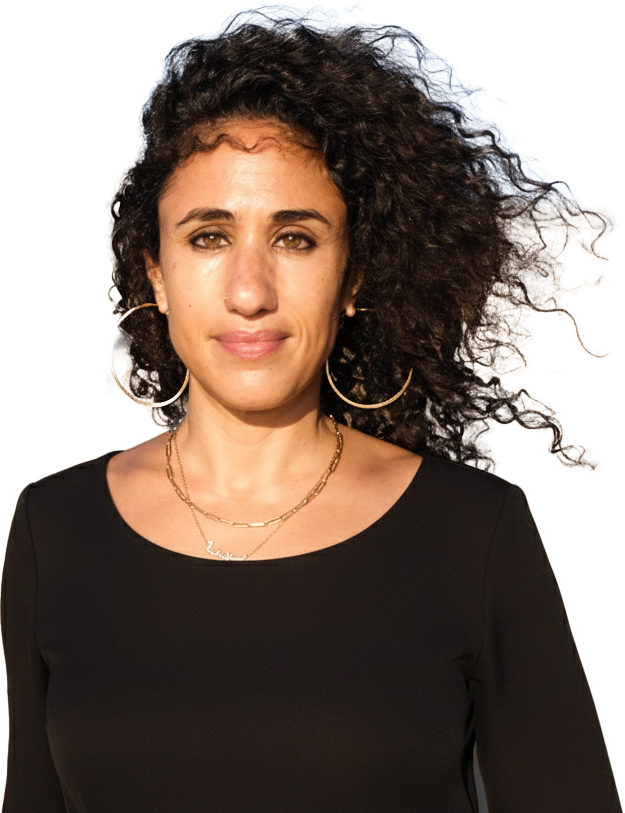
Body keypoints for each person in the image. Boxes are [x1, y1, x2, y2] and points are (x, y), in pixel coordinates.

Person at [1, 10, 621, 812]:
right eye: (208, 237)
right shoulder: (55, 528)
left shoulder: (471, 532)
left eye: (295, 238)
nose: (249, 291)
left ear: (353, 277)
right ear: (155, 273)